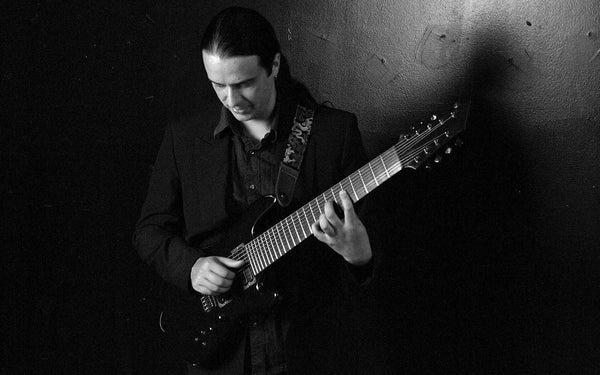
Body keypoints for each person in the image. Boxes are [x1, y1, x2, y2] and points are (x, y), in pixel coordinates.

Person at [133, 6, 377, 374]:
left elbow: (379, 253)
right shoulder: (183, 139)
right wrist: (192, 267)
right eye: (218, 85)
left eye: (244, 83)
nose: (232, 100)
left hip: (305, 351)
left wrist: (359, 255)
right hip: (219, 357)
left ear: (274, 65)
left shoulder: (334, 135)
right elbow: (148, 232)